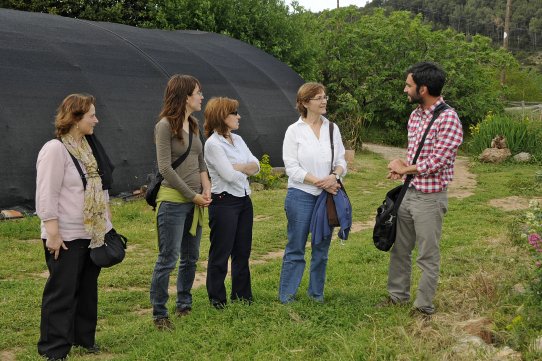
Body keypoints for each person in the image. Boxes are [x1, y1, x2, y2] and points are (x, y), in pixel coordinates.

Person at [36, 93, 115, 361]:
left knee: (86, 289)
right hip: (66, 235)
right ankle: (54, 348)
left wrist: (106, 225)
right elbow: (47, 194)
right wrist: (53, 233)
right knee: (62, 292)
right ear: (76, 118)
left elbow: (100, 188)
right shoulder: (55, 149)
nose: (96, 119)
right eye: (92, 115)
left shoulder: (88, 150)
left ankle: (83, 338)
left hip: (90, 233)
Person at [383, 62, 463, 317]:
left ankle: (423, 307)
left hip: (430, 198)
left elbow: (438, 161)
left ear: (423, 88)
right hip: (409, 192)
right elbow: (417, 156)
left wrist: (407, 169)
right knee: (400, 249)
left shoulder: (449, 118)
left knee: (427, 255)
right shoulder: (415, 115)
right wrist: (403, 168)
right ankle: (397, 296)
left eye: (408, 85)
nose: (405, 89)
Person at [150, 74, 211, 330]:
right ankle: (160, 313)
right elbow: (165, 167)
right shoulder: (165, 126)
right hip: (174, 201)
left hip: (195, 201)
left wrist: (206, 187)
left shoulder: (194, 125)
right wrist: (191, 194)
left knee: (191, 257)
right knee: (168, 258)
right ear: (185, 96)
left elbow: (199, 160)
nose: (201, 97)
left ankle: (184, 304)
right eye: (198, 92)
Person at [279, 82, 347, 304]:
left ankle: (316, 295)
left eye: (325, 97)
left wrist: (335, 176)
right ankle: (287, 296)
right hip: (301, 195)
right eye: (318, 97)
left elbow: (341, 161)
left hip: (325, 198)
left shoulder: (332, 128)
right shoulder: (294, 131)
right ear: (305, 102)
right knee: (296, 247)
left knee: (321, 250)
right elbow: (292, 168)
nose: (324, 101)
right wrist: (321, 182)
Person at [203, 97, 260, 309]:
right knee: (221, 252)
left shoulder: (238, 140)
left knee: (242, 251)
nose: (239, 116)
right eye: (234, 113)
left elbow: (258, 166)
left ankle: (243, 296)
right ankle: (217, 299)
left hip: (244, 200)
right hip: (224, 202)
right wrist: (244, 168)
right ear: (222, 116)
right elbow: (227, 175)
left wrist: (240, 167)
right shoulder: (213, 144)